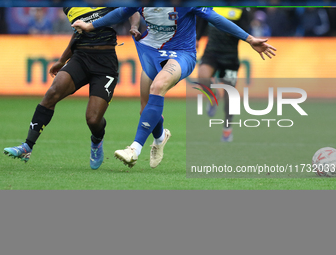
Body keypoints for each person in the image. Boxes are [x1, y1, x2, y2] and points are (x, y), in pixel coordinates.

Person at [72, 7, 276, 168]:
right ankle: (160, 137)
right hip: (151, 51)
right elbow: (122, 12)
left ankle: (134, 149)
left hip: (181, 54)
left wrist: (249, 39)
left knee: (158, 86)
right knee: (145, 109)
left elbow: (214, 18)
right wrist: (92, 26)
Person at [3, 7, 139, 170]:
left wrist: (135, 26)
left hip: (105, 64)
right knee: (52, 94)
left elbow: (133, 10)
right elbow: (77, 33)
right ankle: (27, 147)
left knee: (93, 119)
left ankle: (97, 140)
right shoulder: (70, 7)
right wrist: (62, 60)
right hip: (80, 58)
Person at [196, 7, 251, 142]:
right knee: (202, 76)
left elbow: (246, 30)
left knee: (229, 96)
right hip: (211, 52)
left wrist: (230, 30)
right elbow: (202, 20)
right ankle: (212, 95)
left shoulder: (242, 9)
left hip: (230, 57)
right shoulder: (212, 5)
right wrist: (197, 38)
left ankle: (227, 129)